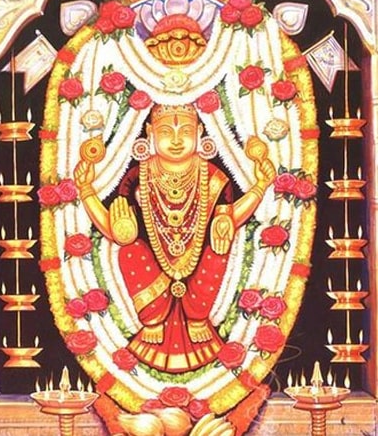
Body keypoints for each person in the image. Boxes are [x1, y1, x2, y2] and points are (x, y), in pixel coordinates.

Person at [72, 103, 275, 373]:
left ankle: (199, 318)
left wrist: (259, 187)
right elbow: (115, 230)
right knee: (128, 247)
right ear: (150, 132)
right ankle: (152, 320)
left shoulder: (215, 178)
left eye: (186, 131)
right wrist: (85, 190)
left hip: (197, 267)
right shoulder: (136, 177)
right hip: (153, 268)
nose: (177, 141)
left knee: (220, 243)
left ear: (201, 132)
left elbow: (230, 221)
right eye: (167, 131)